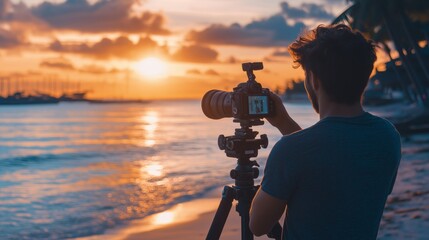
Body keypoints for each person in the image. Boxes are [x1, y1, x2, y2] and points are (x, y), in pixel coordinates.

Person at [249, 24, 401, 239]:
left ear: (314, 80)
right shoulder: (388, 136)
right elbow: (332, 160)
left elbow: (258, 225)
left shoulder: (291, 151)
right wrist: (284, 123)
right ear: (365, 77)